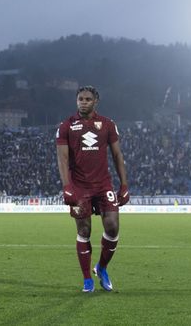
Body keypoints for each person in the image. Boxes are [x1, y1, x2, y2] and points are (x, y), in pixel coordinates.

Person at [56, 85, 128, 293]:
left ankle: (102, 268)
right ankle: (87, 278)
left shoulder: (107, 124)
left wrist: (124, 185)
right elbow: (62, 157)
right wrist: (67, 186)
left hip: (103, 184)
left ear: (96, 101)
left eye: (88, 99)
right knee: (84, 230)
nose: (83, 102)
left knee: (113, 227)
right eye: (80, 99)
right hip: (79, 186)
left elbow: (117, 155)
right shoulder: (66, 126)